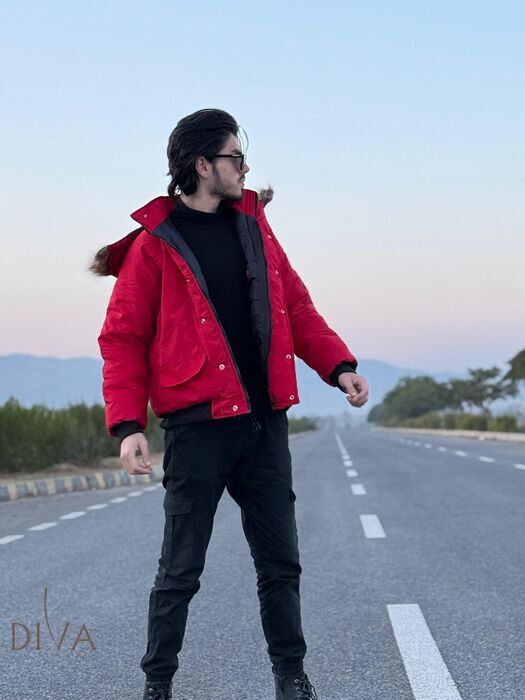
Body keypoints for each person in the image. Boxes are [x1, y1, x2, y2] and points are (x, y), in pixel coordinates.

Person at [92, 108, 369, 700]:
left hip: (264, 424)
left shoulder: (254, 227)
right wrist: (128, 424)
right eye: (234, 158)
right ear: (202, 165)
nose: (244, 169)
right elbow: (123, 338)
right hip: (198, 429)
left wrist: (338, 366)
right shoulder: (154, 245)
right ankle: (158, 685)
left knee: (280, 564)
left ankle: (291, 680)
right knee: (180, 570)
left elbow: (296, 307)